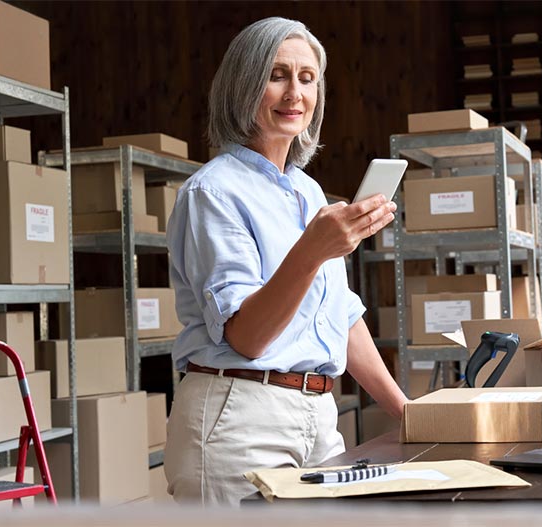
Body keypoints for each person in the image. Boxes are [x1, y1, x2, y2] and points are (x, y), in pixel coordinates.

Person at [163, 17, 409, 506]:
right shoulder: (213, 192)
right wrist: (314, 250)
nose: (294, 92)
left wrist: (408, 413)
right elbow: (247, 338)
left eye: (307, 77)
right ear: (243, 83)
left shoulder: (306, 190)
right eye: (277, 75)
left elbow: (339, 314)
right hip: (240, 416)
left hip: (319, 414)